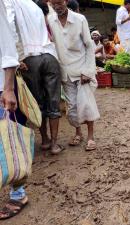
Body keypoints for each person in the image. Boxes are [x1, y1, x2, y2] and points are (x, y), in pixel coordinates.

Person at [6, 0, 63, 155]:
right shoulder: (34, 5)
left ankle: (45, 140)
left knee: (38, 102)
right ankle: (55, 144)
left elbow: (10, 28)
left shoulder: (9, 3)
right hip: (49, 56)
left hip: (30, 59)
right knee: (53, 101)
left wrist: (17, 57)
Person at [49, 0, 99, 151]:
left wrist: (87, 71)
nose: (57, 7)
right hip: (65, 72)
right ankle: (78, 132)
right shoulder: (50, 20)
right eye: (54, 4)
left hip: (81, 70)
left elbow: (89, 46)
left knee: (87, 105)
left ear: (65, 1)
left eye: (60, 3)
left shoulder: (79, 19)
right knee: (72, 108)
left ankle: (90, 137)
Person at [0, 0, 29, 219]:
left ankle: (18, 192)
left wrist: (8, 88)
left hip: (1, 87)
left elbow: (7, 46)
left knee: (9, 138)